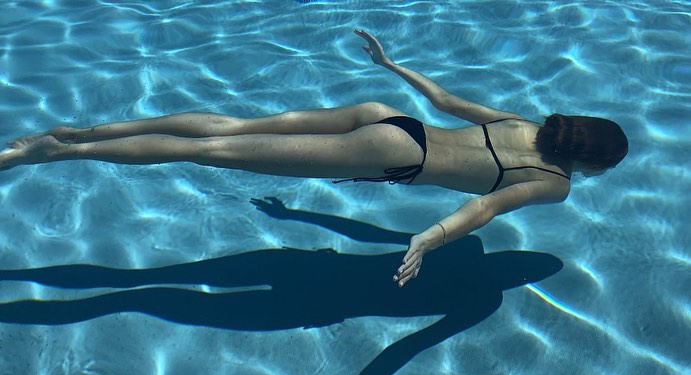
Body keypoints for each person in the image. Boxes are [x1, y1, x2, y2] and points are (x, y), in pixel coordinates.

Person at [0, 29, 628, 287]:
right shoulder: (554, 183)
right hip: (393, 151)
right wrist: (427, 240)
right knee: (211, 151)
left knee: (228, 125)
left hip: (389, 116)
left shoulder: (525, 124)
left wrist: (391, 65)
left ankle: (76, 133)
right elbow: (486, 209)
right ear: (593, 162)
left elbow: (443, 100)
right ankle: (55, 153)